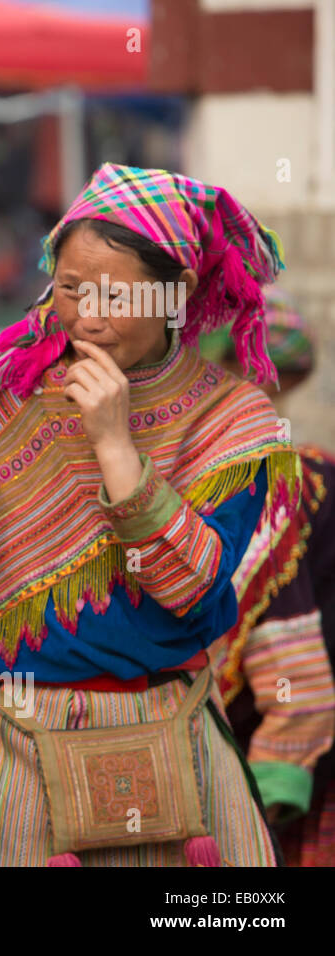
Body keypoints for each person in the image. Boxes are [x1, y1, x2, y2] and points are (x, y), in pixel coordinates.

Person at [0, 162, 296, 866]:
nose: (87, 316)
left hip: (170, 735)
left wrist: (117, 447)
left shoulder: (231, 423)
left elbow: (192, 594)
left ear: (177, 293)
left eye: (116, 296)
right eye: (70, 289)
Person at [204, 292, 335, 865]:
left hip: (279, 771)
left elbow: (296, 680)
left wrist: (255, 814)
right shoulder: (316, 468)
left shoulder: (263, 481)